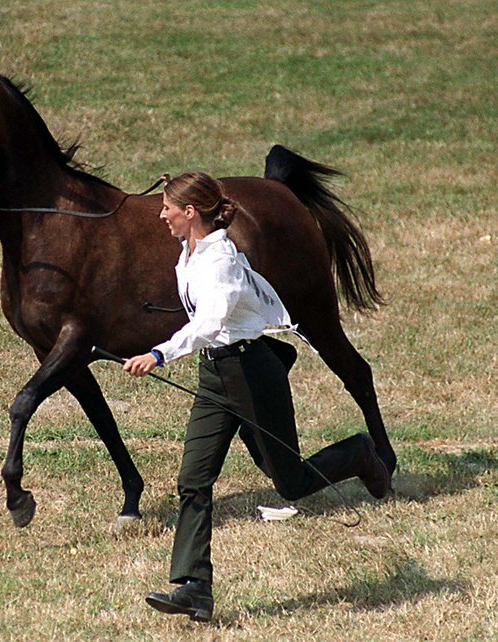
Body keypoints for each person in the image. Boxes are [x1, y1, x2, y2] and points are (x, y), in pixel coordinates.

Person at [123, 171, 390, 623]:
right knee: (193, 478)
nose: (160, 213)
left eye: (168, 207)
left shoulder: (220, 262)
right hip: (215, 376)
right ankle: (195, 588)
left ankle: (360, 454)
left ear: (190, 214)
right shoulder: (188, 252)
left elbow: (210, 323)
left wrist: (158, 353)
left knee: (290, 483)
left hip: (251, 372)